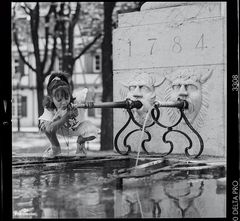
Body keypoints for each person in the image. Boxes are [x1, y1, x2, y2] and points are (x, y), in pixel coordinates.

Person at [39, 72, 98, 158]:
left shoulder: (76, 100)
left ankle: (80, 143)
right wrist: (66, 117)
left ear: (70, 95)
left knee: (92, 130)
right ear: (52, 99)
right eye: (59, 100)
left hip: (77, 128)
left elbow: (89, 90)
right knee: (44, 126)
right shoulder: (49, 108)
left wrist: (89, 99)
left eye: (67, 98)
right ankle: (55, 148)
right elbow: (49, 129)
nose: (64, 102)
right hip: (60, 128)